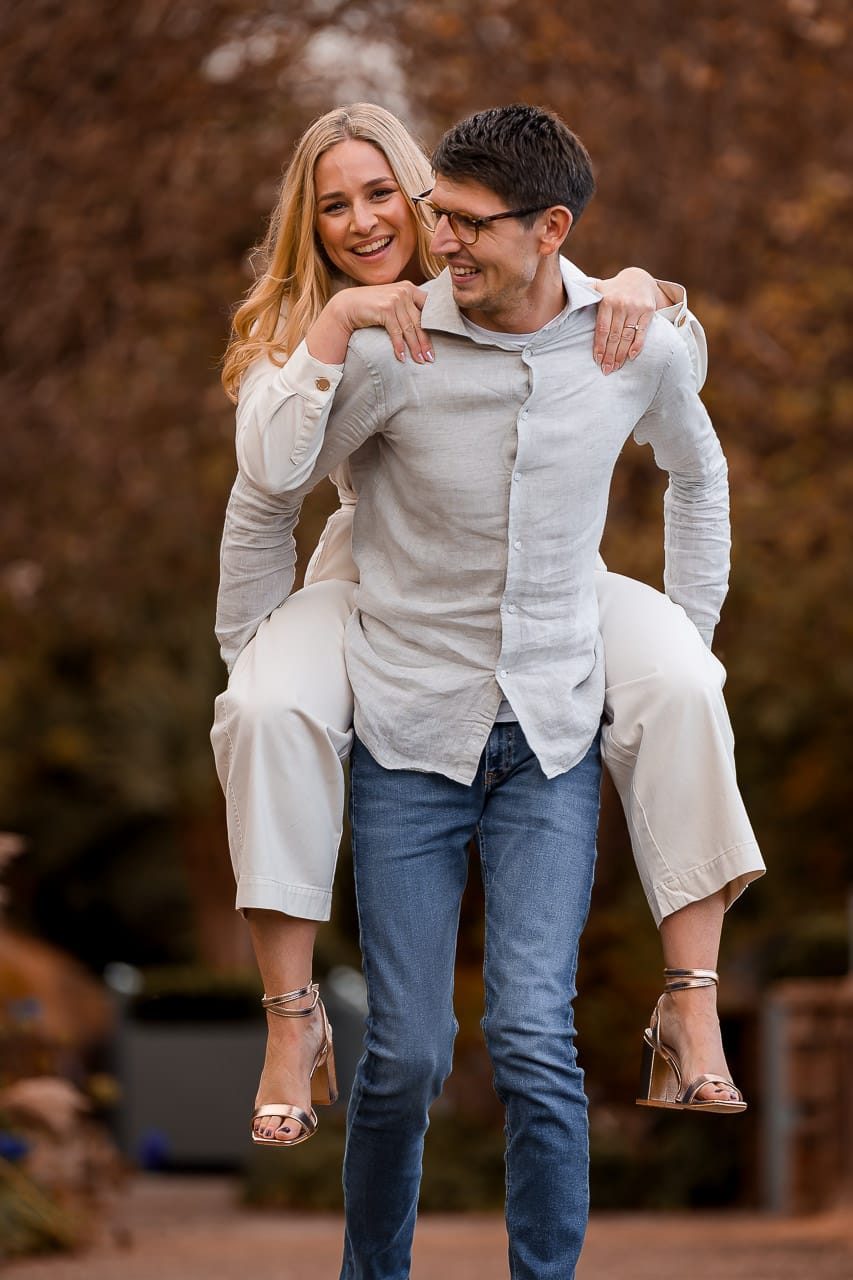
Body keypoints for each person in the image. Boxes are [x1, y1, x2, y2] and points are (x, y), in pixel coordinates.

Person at [218, 101, 748, 1277]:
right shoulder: (372, 343)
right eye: (421, 218)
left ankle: (683, 1006)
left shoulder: (617, 330)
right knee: (404, 1053)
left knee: (533, 1037)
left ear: (545, 228)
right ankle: (361, 1232)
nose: (414, 236)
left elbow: (693, 448)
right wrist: (248, 651)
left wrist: (685, 629)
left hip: (548, 716)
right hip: (405, 705)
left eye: (429, 213)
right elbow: (270, 483)